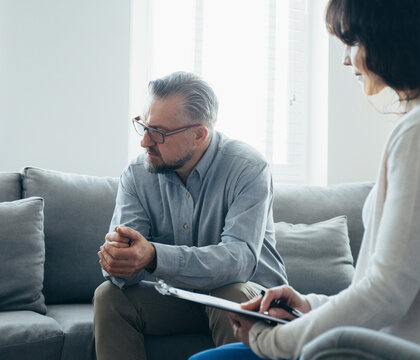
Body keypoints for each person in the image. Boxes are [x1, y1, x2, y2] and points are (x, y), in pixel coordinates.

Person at [190, 0, 420, 359]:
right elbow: (406, 284)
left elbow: (388, 293)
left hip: (393, 349)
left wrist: (271, 341)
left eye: (353, 43)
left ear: (389, 41)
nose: (347, 60)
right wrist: (309, 305)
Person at [93, 71, 288, 360]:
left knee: (230, 294)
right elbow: (124, 265)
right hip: (178, 298)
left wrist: (153, 256)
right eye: (143, 126)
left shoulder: (248, 168)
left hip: (244, 297)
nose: (145, 142)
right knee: (108, 297)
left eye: (158, 132)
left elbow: (239, 261)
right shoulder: (137, 174)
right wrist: (119, 263)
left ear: (198, 135)